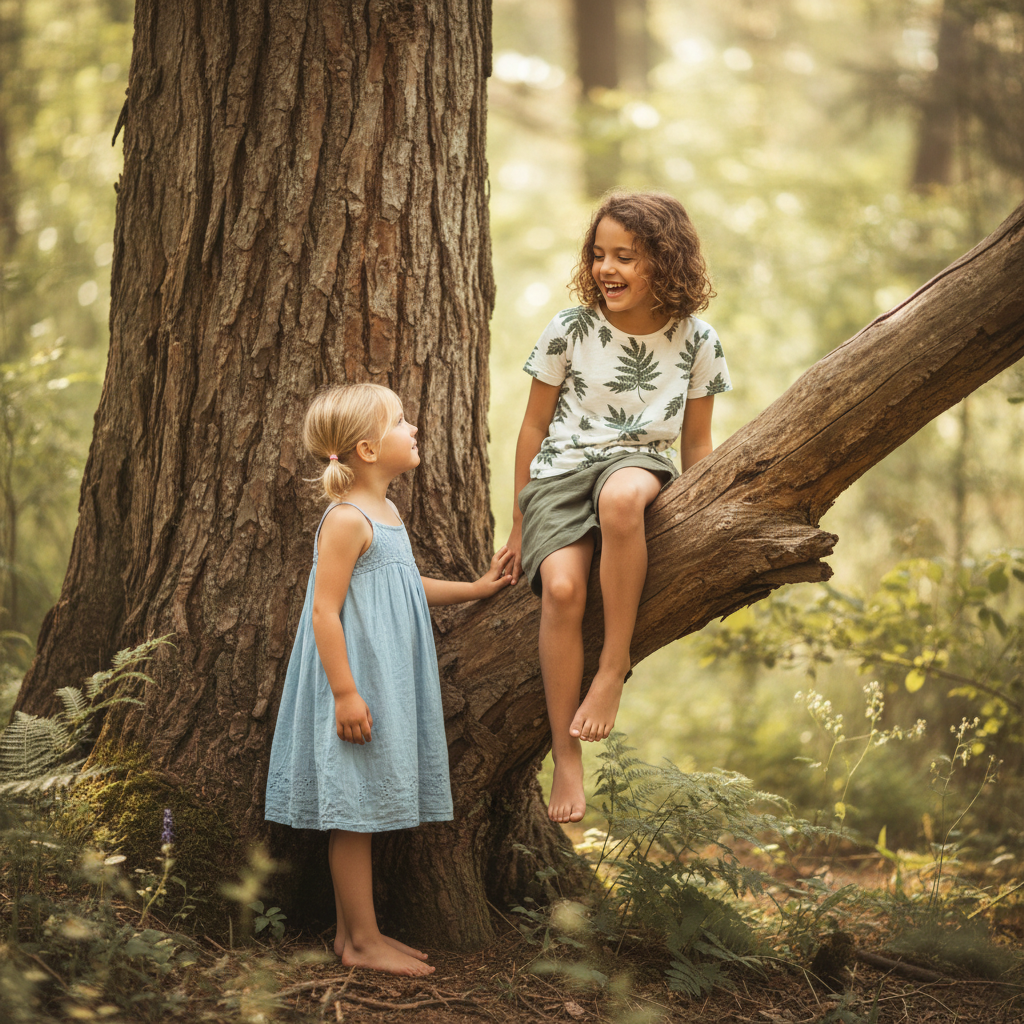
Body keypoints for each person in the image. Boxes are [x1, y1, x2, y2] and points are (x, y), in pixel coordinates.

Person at [265, 383, 512, 976]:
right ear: (368, 450)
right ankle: (363, 941)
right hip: (356, 683)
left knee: (363, 807)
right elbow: (324, 612)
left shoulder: (388, 513)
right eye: (401, 421)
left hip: (385, 681)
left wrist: (475, 589)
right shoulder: (345, 520)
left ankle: (353, 936)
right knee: (353, 813)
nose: (415, 427)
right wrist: (346, 693)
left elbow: (404, 583)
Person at [504, 190, 732, 824]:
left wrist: (707, 511)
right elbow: (532, 426)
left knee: (622, 496)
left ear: (665, 261)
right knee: (561, 590)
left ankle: (612, 667)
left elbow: (696, 441)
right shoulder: (569, 329)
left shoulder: (698, 339)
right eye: (599, 254)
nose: (606, 268)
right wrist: (519, 523)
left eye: (625, 257)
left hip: (638, 462)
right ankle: (565, 754)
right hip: (559, 475)